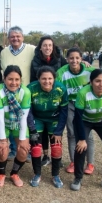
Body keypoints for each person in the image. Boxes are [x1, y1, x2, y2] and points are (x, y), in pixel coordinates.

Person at [70, 69, 102, 193]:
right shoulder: (83, 93)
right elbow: (77, 117)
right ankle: (78, 178)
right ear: (91, 82)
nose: (101, 84)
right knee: (81, 148)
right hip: (84, 121)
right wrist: (82, 139)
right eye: (97, 81)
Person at [56, 48, 96, 174]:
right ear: (67, 59)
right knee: (72, 133)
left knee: (87, 134)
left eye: (77, 58)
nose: (74, 60)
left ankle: (90, 164)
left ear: (81, 59)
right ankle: (74, 162)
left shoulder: (90, 71)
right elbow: (58, 91)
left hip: (85, 105)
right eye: (71, 58)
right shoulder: (61, 72)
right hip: (69, 105)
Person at [27, 66, 68, 188]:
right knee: (35, 147)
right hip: (37, 118)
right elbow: (28, 111)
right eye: (43, 78)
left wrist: (59, 131)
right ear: (38, 79)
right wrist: (32, 129)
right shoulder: (31, 88)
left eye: (50, 78)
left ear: (54, 79)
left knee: (56, 147)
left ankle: (55, 175)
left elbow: (64, 111)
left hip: (54, 119)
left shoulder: (61, 89)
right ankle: (37, 174)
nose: (47, 81)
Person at [30, 36, 67, 166]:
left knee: (54, 129)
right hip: (40, 95)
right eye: (45, 45)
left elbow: (69, 67)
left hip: (54, 95)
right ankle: (45, 156)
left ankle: (57, 157)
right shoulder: (35, 60)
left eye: (50, 45)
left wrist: (84, 63)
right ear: (40, 47)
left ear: (53, 47)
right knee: (42, 131)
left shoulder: (59, 59)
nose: (47, 48)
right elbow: (32, 78)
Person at [0, 65, 31, 187]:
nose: (13, 83)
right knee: (2, 151)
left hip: (19, 123)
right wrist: (3, 141)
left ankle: (14, 173)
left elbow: (24, 117)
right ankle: (1, 173)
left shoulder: (26, 92)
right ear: (4, 79)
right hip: (1, 123)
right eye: (10, 79)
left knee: (23, 151)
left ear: (21, 80)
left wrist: (23, 139)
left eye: (17, 79)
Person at [0, 26, 35, 161]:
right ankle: (14, 149)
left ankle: (27, 148)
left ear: (23, 37)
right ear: (8, 38)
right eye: (12, 36)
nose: (15, 38)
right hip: (8, 92)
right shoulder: (4, 52)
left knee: (26, 121)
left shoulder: (31, 49)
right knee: (11, 121)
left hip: (25, 92)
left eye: (18, 36)